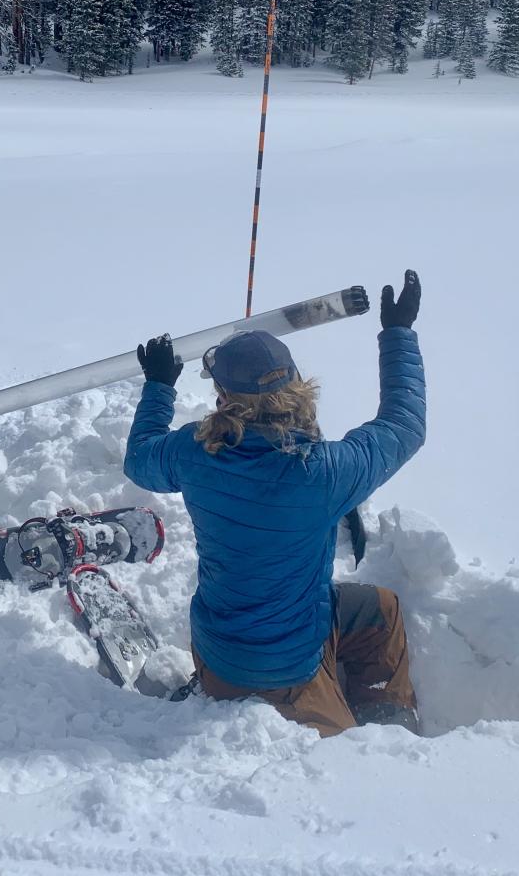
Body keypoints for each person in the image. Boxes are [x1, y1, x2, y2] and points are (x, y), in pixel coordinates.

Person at [123, 272, 426, 736]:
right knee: (379, 619)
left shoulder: (193, 453)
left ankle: (219, 686)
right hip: (289, 672)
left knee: (375, 606)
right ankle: (389, 739)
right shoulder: (328, 473)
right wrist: (398, 333)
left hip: (217, 651)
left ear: (224, 398)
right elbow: (404, 427)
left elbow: (139, 459)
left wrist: (160, 386)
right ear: (297, 385)